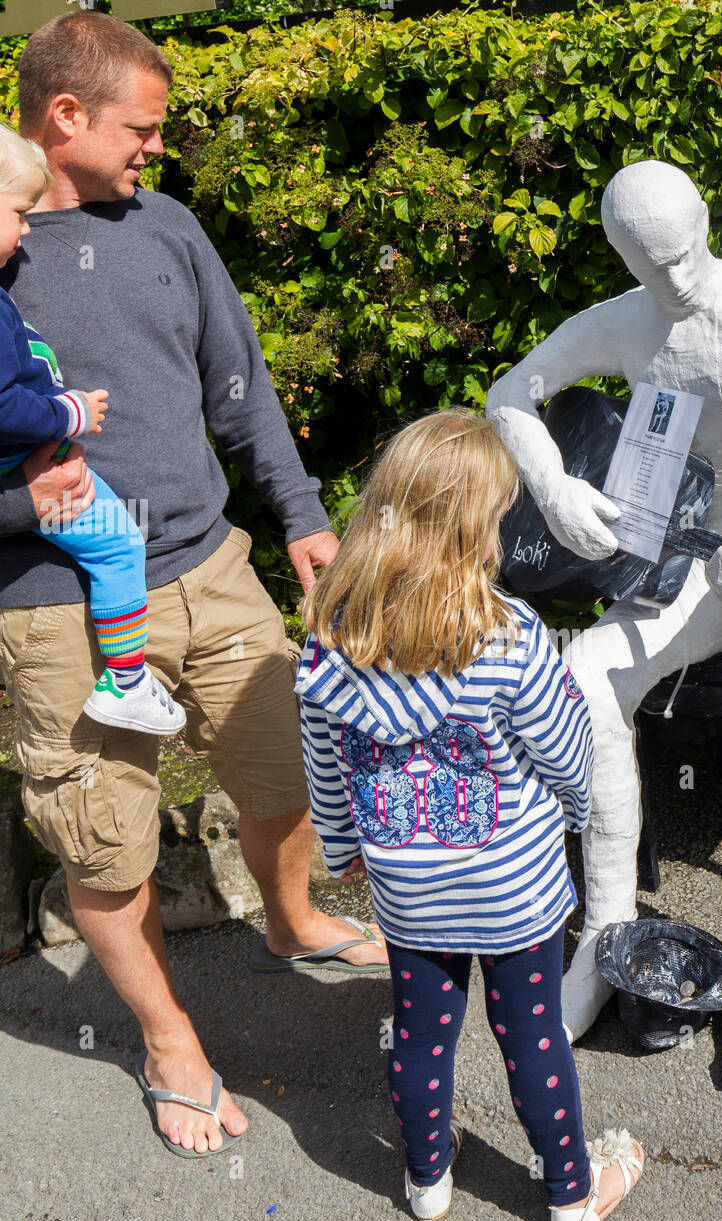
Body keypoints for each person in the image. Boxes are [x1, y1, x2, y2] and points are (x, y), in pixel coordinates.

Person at [0, 11, 388, 1159]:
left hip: (210, 567)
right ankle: (171, 1041)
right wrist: (29, 501)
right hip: (53, 603)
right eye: (142, 127)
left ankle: (291, 916)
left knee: (281, 768)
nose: (156, 149)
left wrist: (304, 518)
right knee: (103, 842)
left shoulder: (167, 227)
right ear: (65, 118)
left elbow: (239, 383)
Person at [487, 160, 722, 1093]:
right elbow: (509, 394)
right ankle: (606, 938)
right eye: (651, 265)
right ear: (622, 256)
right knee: (584, 680)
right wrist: (552, 482)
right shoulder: (623, 319)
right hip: (692, 561)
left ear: (705, 219)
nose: (677, 278)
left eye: (685, 251)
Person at [296, 409, 645, 1221]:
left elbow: (326, 764)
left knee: (421, 1032)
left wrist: (343, 848)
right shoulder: (510, 636)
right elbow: (564, 747)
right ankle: (568, 1195)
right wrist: (568, 814)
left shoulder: (328, 643)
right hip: (512, 883)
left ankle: (426, 1177)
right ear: (473, 528)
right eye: (495, 518)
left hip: (409, 886)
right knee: (529, 1033)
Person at [0, 120, 184, 736]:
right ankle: (126, 680)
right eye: (18, 213)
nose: (26, 231)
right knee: (118, 546)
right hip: (36, 470)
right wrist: (67, 413)